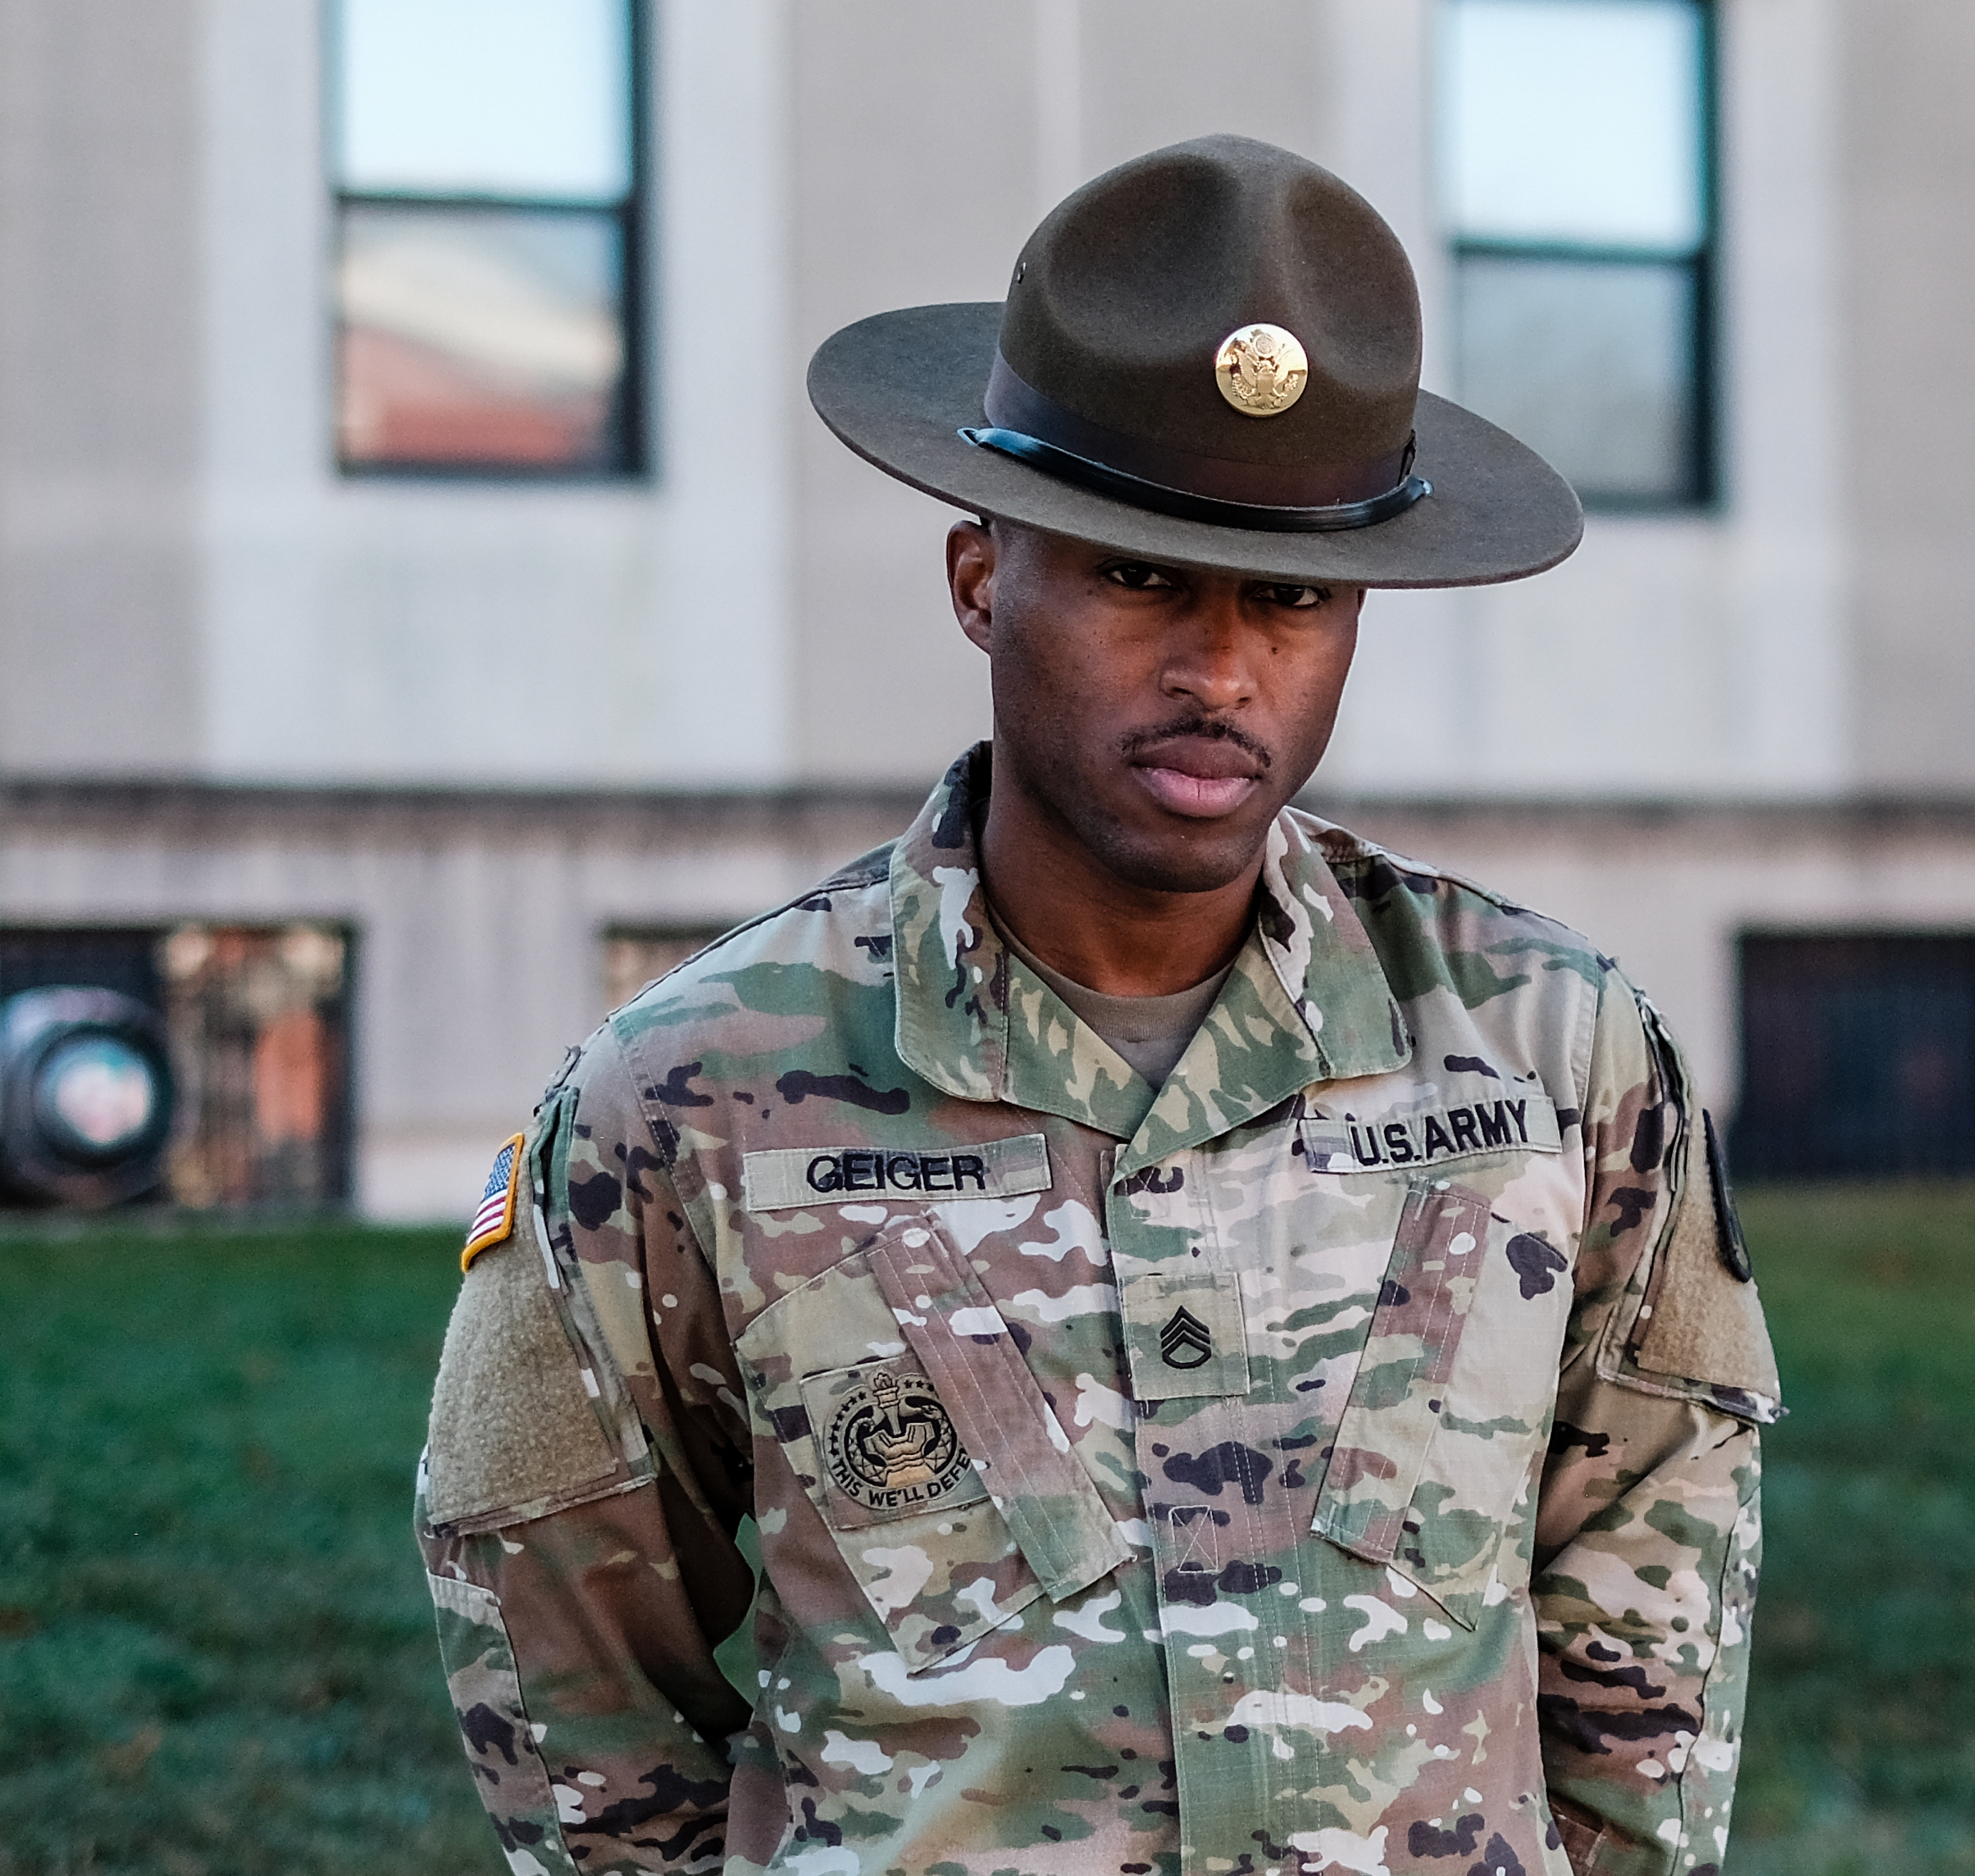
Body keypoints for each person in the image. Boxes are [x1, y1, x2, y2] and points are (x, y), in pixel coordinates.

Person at [417, 134, 1779, 1876]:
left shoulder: (1553, 1057)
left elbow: (1647, 1626)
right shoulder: (688, 1094)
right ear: (983, 577)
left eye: (1289, 597)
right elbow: (565, 1673)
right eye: (1139, 576)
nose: (1219, 670)